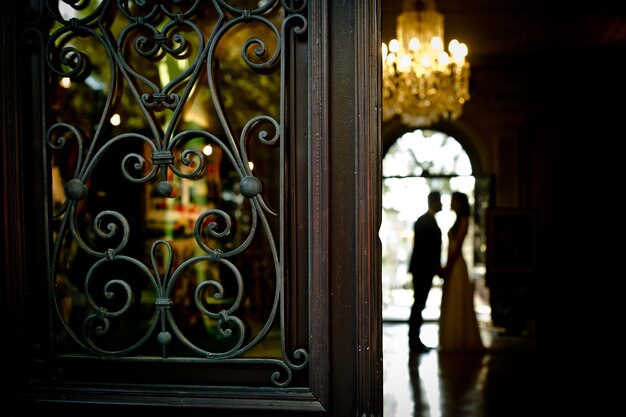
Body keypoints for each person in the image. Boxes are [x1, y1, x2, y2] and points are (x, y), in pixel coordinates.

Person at [438, 191, 485, 353]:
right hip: (454, 263)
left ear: (459, 203)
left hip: (457, 265)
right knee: (453, 299)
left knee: (458, 299)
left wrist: (448, 266)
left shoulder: (464, 220)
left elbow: (457, 247)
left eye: (453, 201)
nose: (450, 204)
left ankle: (460, 338)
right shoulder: (458, 220)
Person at [407, 190, 443, 353]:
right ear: (433, 202)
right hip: (423, 271)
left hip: (423, 270)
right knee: (418, 305)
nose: (442, 204)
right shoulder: (425, 221)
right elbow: (425, 250)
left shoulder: (425, 220)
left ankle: (415, 340)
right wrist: (435, 267)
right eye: (440, 201)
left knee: (419, 304)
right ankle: (414, 341)